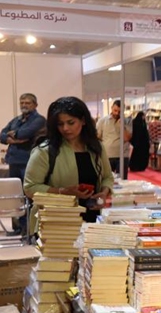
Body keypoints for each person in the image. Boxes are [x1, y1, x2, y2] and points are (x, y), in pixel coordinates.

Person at [23, 96, 114, 224]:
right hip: (55, 223)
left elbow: (107, 177)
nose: (65, 128)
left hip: (91, 218)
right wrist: (63, 192)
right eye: (60, 124)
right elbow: (30, 187)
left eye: (71, 122)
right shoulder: (44, 151)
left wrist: (104, 193)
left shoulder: (96, 148)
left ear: (83, 121)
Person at [0, 93, 46, 235]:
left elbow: (26, 133)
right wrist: (13, 138)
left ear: (35, 105)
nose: (24, 105)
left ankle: (30, 229)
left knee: (29, 196)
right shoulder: (16, 120)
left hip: (28, 162)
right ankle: (18, 228)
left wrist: (16, 135)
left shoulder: (39, 120)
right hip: (13, 161)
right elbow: (2, 134)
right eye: (22, 103)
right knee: (16, 196)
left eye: (27, 103)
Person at [96, 100, 132, 179]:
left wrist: (121, 125)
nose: (117, 113)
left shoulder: (127, 121)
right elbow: (97, 136)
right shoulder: (102, 121)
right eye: (115, 110)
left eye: (119, 111)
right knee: (106, 179)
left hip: (122, 155)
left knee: (122, 181)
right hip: (107, 155)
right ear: (111, 108)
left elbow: (126, 138)